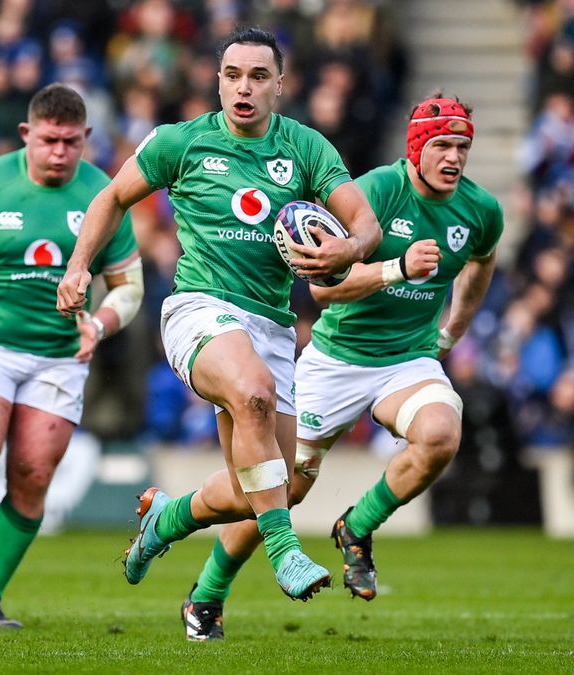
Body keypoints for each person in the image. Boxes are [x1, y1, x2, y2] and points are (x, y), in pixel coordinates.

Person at [56, 27, 382, 601]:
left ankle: (168, 517)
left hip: (272, 325)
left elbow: (366, 225)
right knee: (253, 394)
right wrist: (80, 267)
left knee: (274, 486)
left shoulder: (306, 148)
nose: (245, 87)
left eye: (259, 76)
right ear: (218, 82)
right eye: (233, 75)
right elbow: (110, 197)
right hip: (198, 310)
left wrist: (348, 250)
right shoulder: (179, 143)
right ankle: (286, 553)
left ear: (280, 86)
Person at [178, 93, 501, 640]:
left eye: (462, 147)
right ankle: (206, 595)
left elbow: (482, 259)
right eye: (442, 145)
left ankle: (357, 526)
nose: (453, 157)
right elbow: (323, 288)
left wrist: (453, 330)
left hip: (408, 360)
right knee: (283, 489)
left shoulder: (479, 209)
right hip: (335, 360)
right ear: (417, 147)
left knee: (442, 433)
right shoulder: (376, 191)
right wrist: (396, 269)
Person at [0, 83, 143, 629]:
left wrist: (101, 323)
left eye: (71, 142)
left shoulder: (105, 196)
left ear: (87, 137)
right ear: (26, 134)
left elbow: (128, 286)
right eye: (48, 140)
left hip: (60, 355)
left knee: (34, 473)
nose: (59, 152)